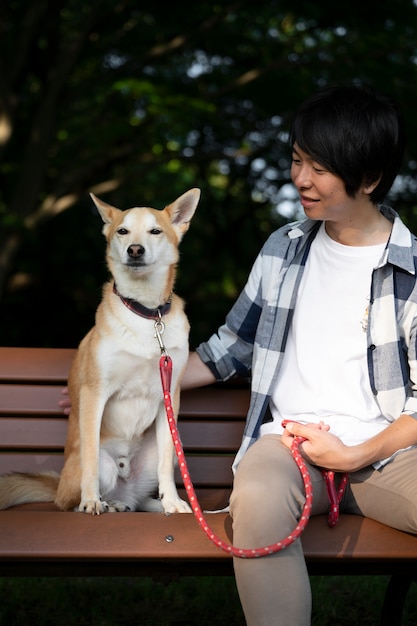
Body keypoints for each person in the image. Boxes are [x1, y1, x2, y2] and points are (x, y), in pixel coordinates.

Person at [61, 83, 417, 625]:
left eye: (319, 168)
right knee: (256, 499)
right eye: (297, 160)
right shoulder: (285, 247)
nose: (300, 178)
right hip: (290, 449)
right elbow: (230, 348)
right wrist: (112, 386)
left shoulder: (412, 269)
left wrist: (354, 455)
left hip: (390, 453)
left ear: (368, 178)